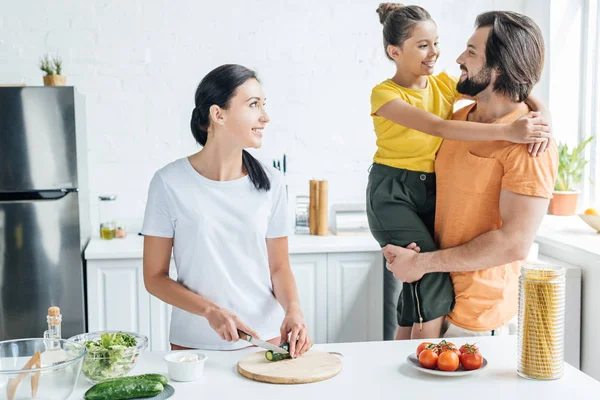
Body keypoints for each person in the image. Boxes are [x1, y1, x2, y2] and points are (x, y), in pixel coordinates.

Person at [368, 3, 552, 341]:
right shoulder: (458, 120)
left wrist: (422, 265)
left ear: (499, 66)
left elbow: (514, 244)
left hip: (475, 318)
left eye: (470, 51)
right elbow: (434, 130)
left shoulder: (530, 144)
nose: (454, 59)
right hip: (433, 297)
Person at [142, 64, 311, 357]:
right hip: (194, 344)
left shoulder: (271, 182)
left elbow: (279, 267)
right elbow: (154, 277)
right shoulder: (168, 183)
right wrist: (210, 311)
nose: (265, 117)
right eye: (253, 105)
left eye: (263, 105)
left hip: (264, 339)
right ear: (217, 114)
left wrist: (294, 310)